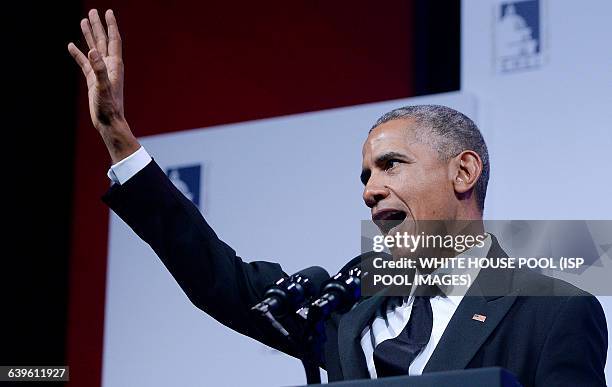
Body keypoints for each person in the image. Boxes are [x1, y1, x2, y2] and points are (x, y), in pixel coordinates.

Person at [68, 9, 607, 386]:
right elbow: (224, 283)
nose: (371, 191)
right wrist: (120, 141)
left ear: (463, 171)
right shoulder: (349, 299)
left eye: (390, 165)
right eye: (365, 177)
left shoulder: (552, 313)